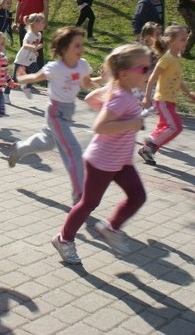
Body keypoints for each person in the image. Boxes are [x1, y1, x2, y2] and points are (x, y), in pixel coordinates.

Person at [50, 43, 151, 265]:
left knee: (138, 196)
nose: (149, 71)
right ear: (125, 74)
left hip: (121, 160)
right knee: (89, 203)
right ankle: (64, 239)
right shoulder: (120, 97)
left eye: (149, 66)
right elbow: (100, 127)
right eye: (144, 68)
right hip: (102, 160)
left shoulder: (120, 90)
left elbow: (90, 99)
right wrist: (131, 123)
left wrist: (110, 101)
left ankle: (110, 227)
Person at [8, 26, 95, 205]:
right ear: (64, 49)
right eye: (77, 46)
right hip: (56, 113)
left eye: (82, 45)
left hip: (68, 112)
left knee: (47, 142)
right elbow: (35, 78)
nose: (81, 49)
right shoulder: (54, 68)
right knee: (73, 150)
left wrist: (105, 79)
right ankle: (79, 193)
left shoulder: (83, 65)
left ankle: (20, 148)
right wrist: (21, 78)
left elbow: (86, 84)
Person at [138, 25, 195, 166]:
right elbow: (153, 78)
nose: (186, 42)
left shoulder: (176, 58)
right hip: (163, 99)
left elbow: (178, 80)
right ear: (171, 41)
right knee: (175, 127)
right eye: (183, 39)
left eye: (187, 39)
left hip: (170, 100)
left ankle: (147, 150)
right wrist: (147, 97)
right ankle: (150, 142)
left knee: (164, 127)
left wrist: (188, 92)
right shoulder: (166, 58)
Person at [15, 0, 50, 69]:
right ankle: (24, 72)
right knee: (24, 48)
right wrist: (15, 20)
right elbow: (19, 4)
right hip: (23, 23)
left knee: (37, 49)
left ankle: (38, 71)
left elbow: (46, 3)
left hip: (36, 24)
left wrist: (45, 20)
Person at [5, 13, 46, 103]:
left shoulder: (39, 35)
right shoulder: (29, 34)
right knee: (14, 79)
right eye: (42, 22)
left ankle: (26, 87)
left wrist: (35, 52)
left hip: (31, 60)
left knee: (36, 74)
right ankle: (6, 94)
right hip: (22, 59)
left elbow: (33, 45)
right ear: (35, 24)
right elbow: (25, 45)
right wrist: (34, 48)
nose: (44, 24)